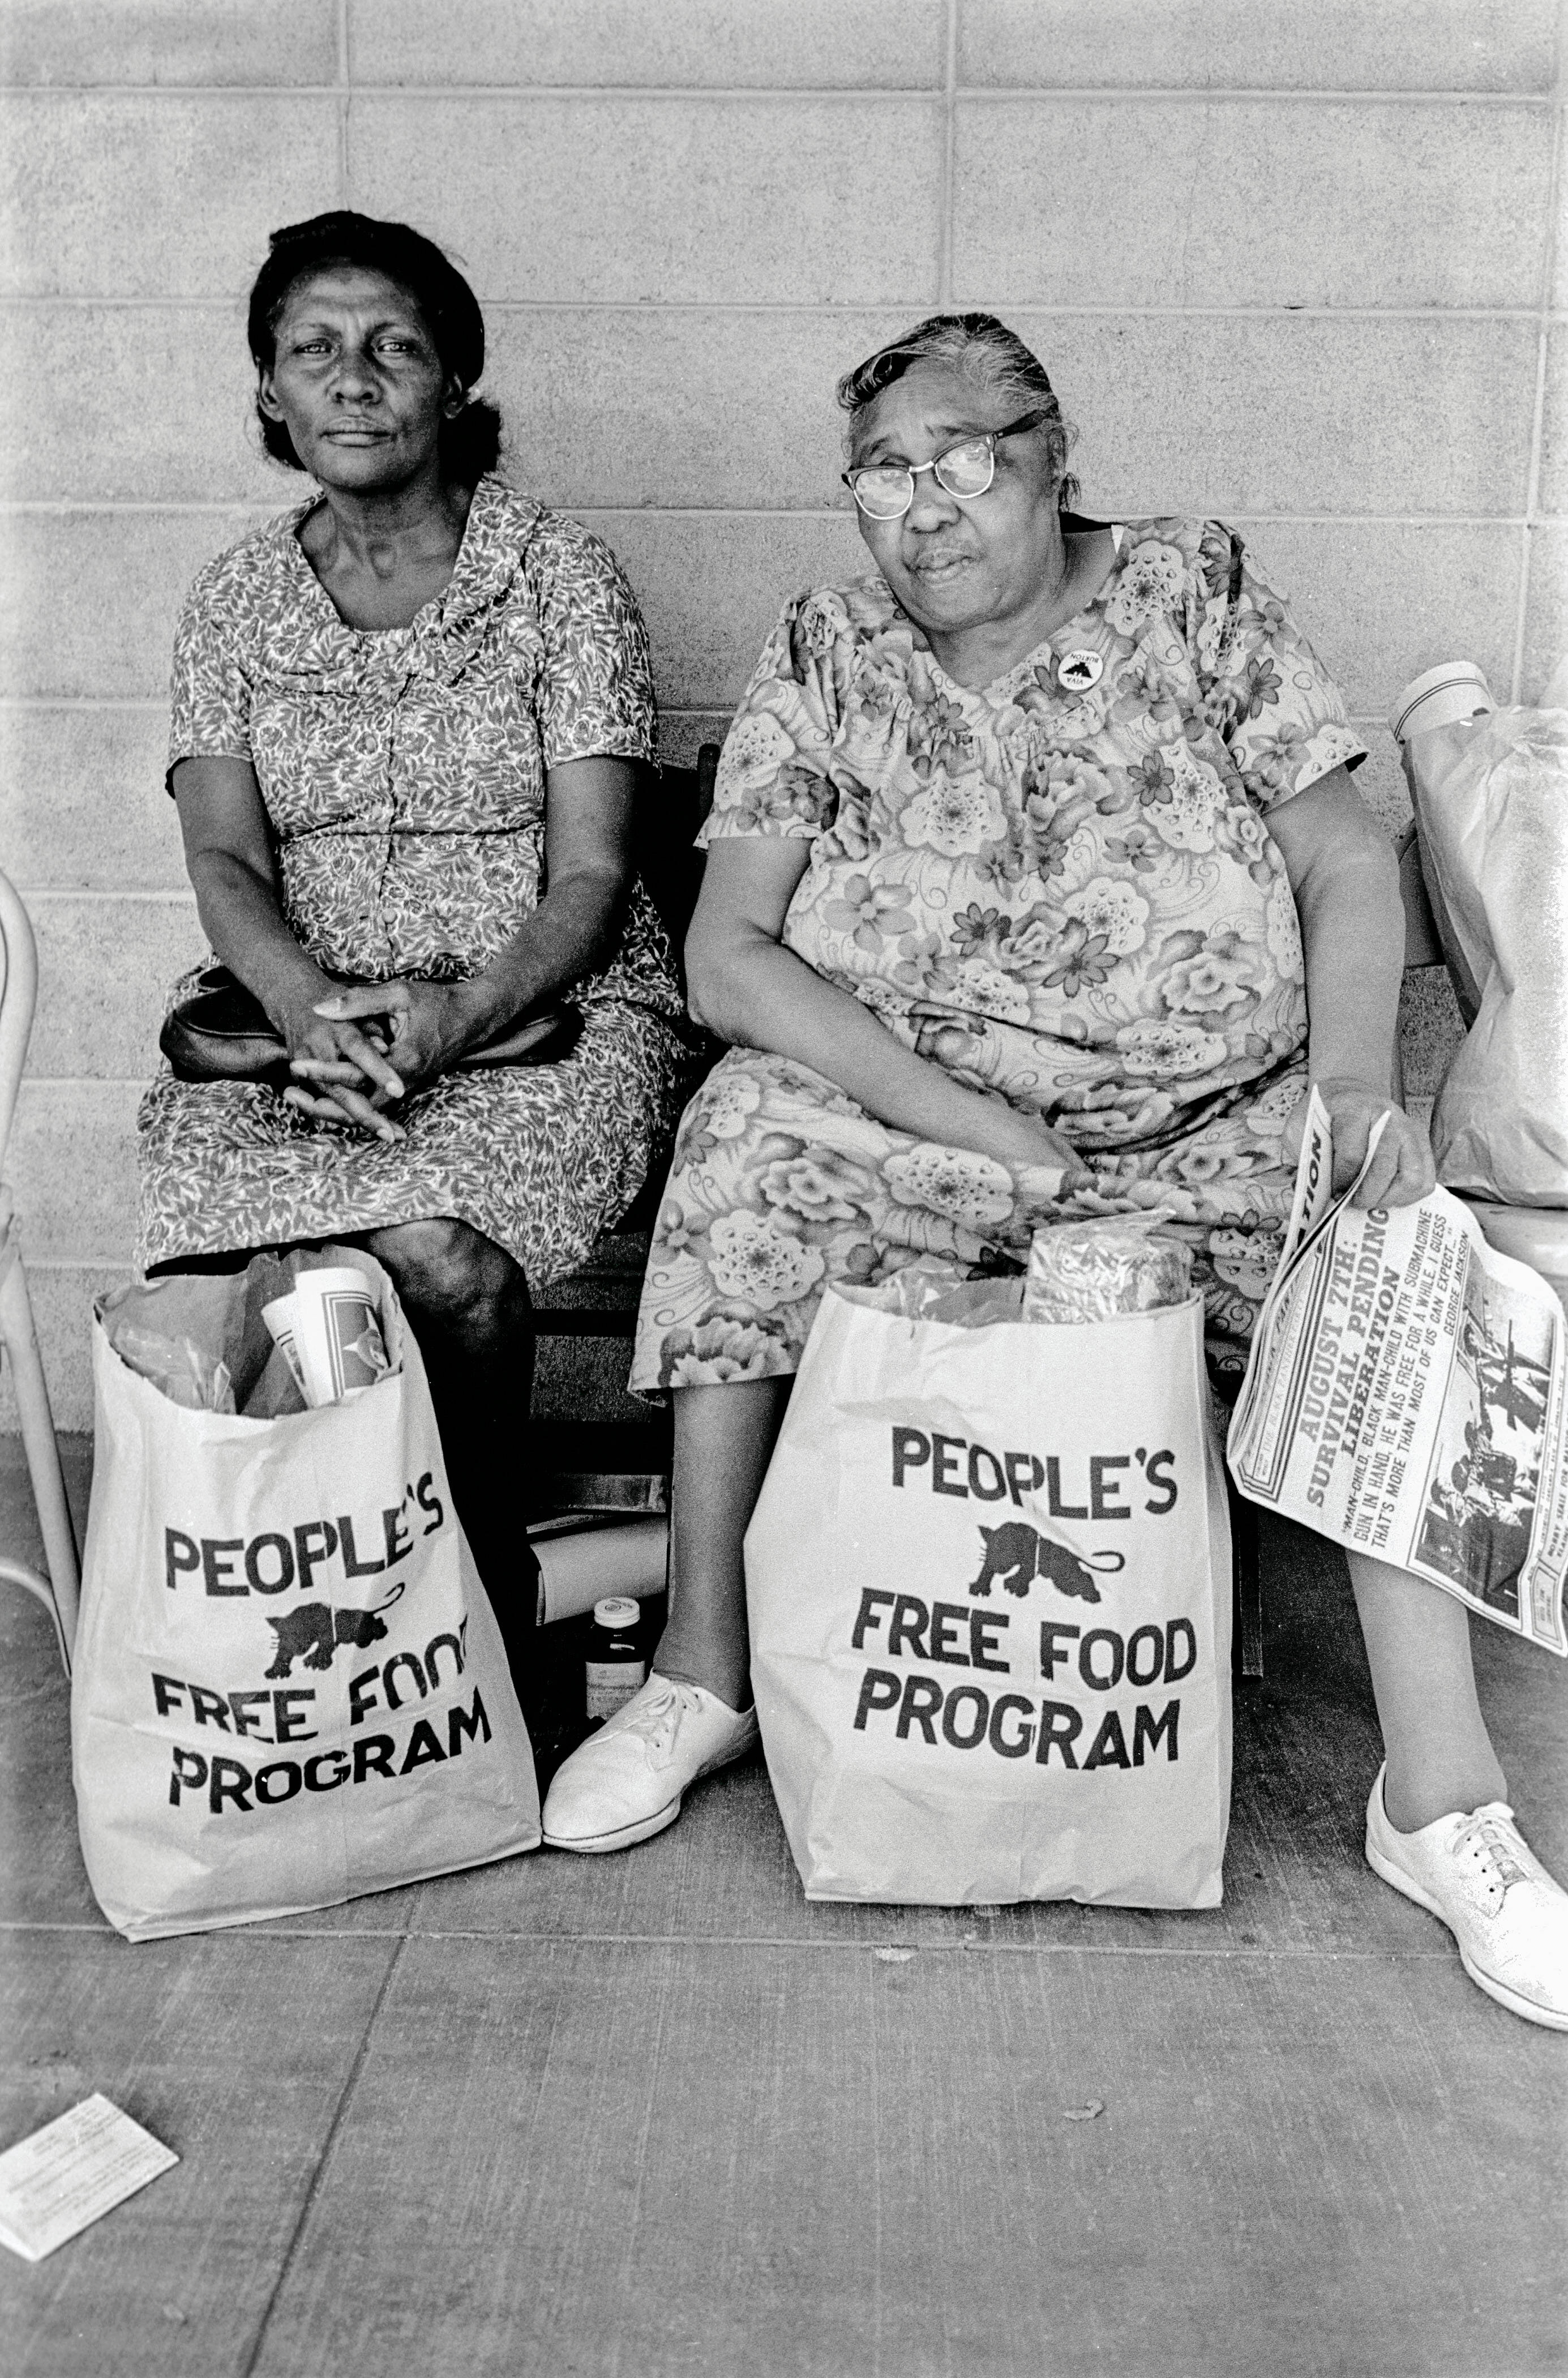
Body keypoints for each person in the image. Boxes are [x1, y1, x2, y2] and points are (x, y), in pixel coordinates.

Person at [542, 313, 1568, 2030]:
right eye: (884, 471)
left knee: (1382, 1261)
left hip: (1208, 1120)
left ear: (1051, 452)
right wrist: (965, 1120)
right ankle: (701, 1670)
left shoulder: (1192, 595)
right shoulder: (831, 644)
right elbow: (731, 958)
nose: (926, 506)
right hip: (927, 1125)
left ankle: (1441, 1805)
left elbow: (1340, 853)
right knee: (740, 1156)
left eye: (966, 459)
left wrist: (1344, 1096)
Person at [138, 210, 691, 1641]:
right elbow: (224, 856)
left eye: (394, 347)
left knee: (435, 1253)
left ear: (455, 383)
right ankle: (296, 1625)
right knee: (223, 1269)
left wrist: (456, 1015)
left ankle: (468, 1622)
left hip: (540, 1021)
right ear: (270, 392)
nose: (354, 379)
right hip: (294, 1027)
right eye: (312, 351)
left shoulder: (559, 580)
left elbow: (589, 875)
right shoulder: (234, 599)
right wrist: (306, 1005)